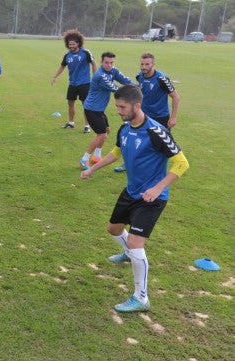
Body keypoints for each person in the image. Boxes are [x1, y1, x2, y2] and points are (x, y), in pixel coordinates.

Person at [81, 84, 189, 313]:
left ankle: (141, 297)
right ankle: (130, 255)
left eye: (122, 107)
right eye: (117, 106)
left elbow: (182, 163)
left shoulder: (156, 131)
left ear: (136, 106)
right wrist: (93, 169)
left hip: (152, 197)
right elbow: (117, 152)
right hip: (131, 191)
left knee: (135, 243)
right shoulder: (125, 128)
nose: (118, 111)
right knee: (113, 229)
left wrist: (158, 188)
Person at [114, 52, 181, 172]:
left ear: (153, 64)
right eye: (142, 64)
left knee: (159, 145)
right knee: (135, 139)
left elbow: (176, 97)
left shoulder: (162, 79)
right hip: (144, 115)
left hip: (160, 117)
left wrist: (173, 117)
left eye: (147, 64)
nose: (144, 67)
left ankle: (156, 169)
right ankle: (129, 164)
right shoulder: (139, 76)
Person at [79, 52, 134, 170]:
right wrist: (135, 91)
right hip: (92, 109)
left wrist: (137, 85)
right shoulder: (101, 75)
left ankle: (97, 156)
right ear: (101, 62)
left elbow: (124, 79)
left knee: (107, 131)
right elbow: (117, 89)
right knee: (101, 135)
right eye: (106, 62)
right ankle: (84, 158)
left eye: (111, 62)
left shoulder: (113, 70)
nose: (109, 65)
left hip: (99, 110)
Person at [51, 29, 97, 133]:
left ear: (78, 43)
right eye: (69, 44)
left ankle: (87, 126)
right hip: (72, 84)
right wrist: (55, 77)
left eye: (73, 44)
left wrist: (95, 77)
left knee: (86, 105)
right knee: (70, 103)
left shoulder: (85, 52)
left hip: (85, 83)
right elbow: (62, 66)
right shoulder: (67, 55)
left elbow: (94, 63)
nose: (71, 46)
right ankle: (71, 123)